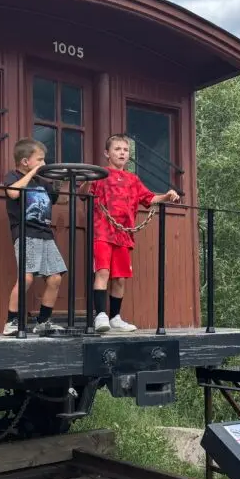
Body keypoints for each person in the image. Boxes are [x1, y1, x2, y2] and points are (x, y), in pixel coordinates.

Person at [90, 134, 180, 332]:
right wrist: (82, 180)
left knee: (120, 277)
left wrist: (166, 195)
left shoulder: (133, 180)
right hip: (102, 231)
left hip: (124, 235)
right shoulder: (99, 174)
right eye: (117, 149)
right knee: (103, 271)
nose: (122, 153)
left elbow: (149, 198)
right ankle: (100, 315)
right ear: (107, 153)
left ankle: (115, 317)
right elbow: (84, 192)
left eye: (125, 150)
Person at [2, 138, 66, 336]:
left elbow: (57, 199)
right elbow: (12, 193)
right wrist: (32, 173)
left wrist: (59, 181)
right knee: (27, 277)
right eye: (40, 159)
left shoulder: (41, 182)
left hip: (45, 233)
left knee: (55, 277)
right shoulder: (12, 176)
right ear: (25, 162)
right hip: (25, 232)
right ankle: (11, 322)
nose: (43, 164)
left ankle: (44, 321)